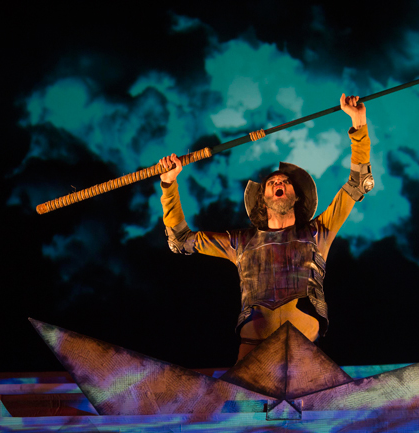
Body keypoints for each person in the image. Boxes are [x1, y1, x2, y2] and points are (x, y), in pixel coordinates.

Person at [159, 94, 373, 360]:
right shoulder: (240, 242)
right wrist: (169, 184)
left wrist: (358, 123)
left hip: (306, 355)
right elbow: (180, 239)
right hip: (253, 355)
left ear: (296, 196)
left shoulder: (318, 232)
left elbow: (357, 183)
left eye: (285, 182)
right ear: (263, 199)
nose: (278, 183)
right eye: (272, 183)